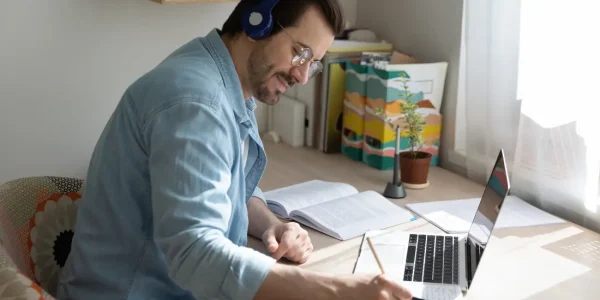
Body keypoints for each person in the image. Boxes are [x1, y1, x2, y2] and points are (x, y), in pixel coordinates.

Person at [57, 0, 413, 299]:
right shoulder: (196, 104)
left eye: (313, 63)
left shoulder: (219, 78)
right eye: (300, 53)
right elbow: (195, 254)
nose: (303, 76)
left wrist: (272, 225)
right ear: (255, 22)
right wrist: (337, 291)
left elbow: (225, 184)